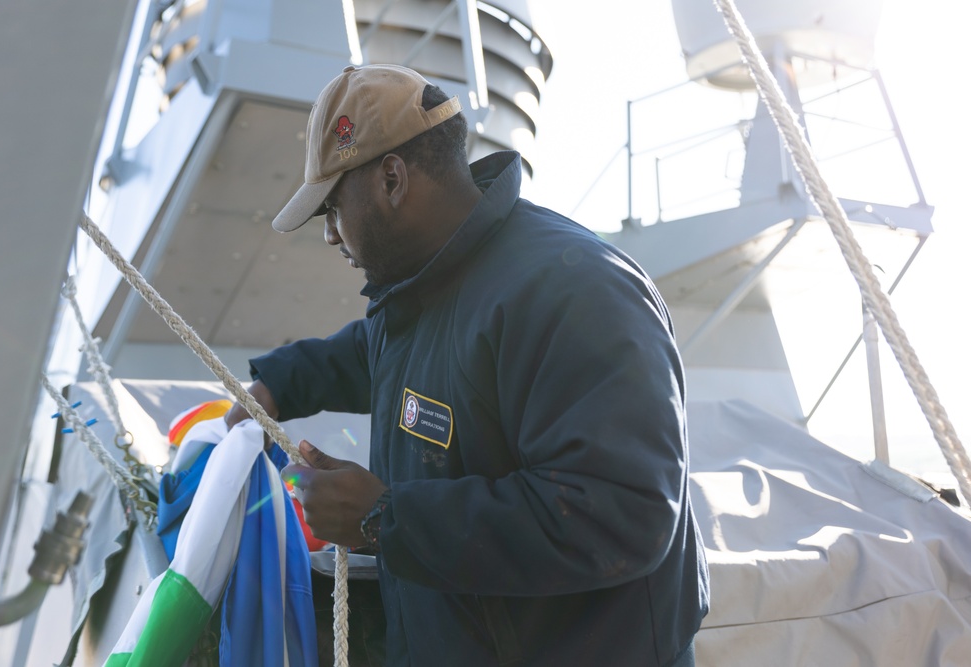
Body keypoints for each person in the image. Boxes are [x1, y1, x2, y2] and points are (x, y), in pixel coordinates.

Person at [225, 63, 709, 666]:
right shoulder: (427, 287)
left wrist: (383, 518)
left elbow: (619, 515)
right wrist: (279, 384)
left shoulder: (575, 293)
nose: (330, 236)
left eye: (331, 208)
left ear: (392, 179)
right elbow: (375, 348)